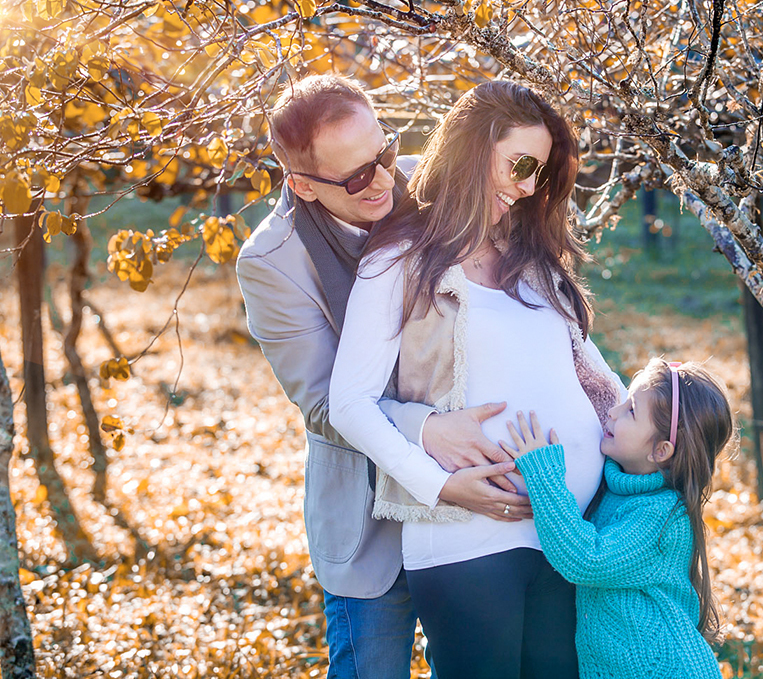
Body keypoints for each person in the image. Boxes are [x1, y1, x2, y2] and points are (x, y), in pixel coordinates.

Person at [236, 74, 532, 679]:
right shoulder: (271, 262)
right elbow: (322, 402)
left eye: (385, 153)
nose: (383, 181)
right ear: (301, 185)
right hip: (369, 522)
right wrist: (427, 430)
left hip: (484, 493)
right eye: (353, 177)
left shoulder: (435, 190)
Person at [328, 81, 625, 678]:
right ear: (476, 146)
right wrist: (437, 487)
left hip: (570, 535)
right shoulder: (401, 260)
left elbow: (595, 380)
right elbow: (349, 404)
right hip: (470, 535)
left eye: (538, 174)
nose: (526, 187)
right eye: (520, 165)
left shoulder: (534, 263)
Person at [501, 358, 732, 679]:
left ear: (661, 450)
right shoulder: (621, 489)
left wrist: (544, 475)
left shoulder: (661, 517)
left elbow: (586, 561)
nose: (613, 411)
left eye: (631, 411)